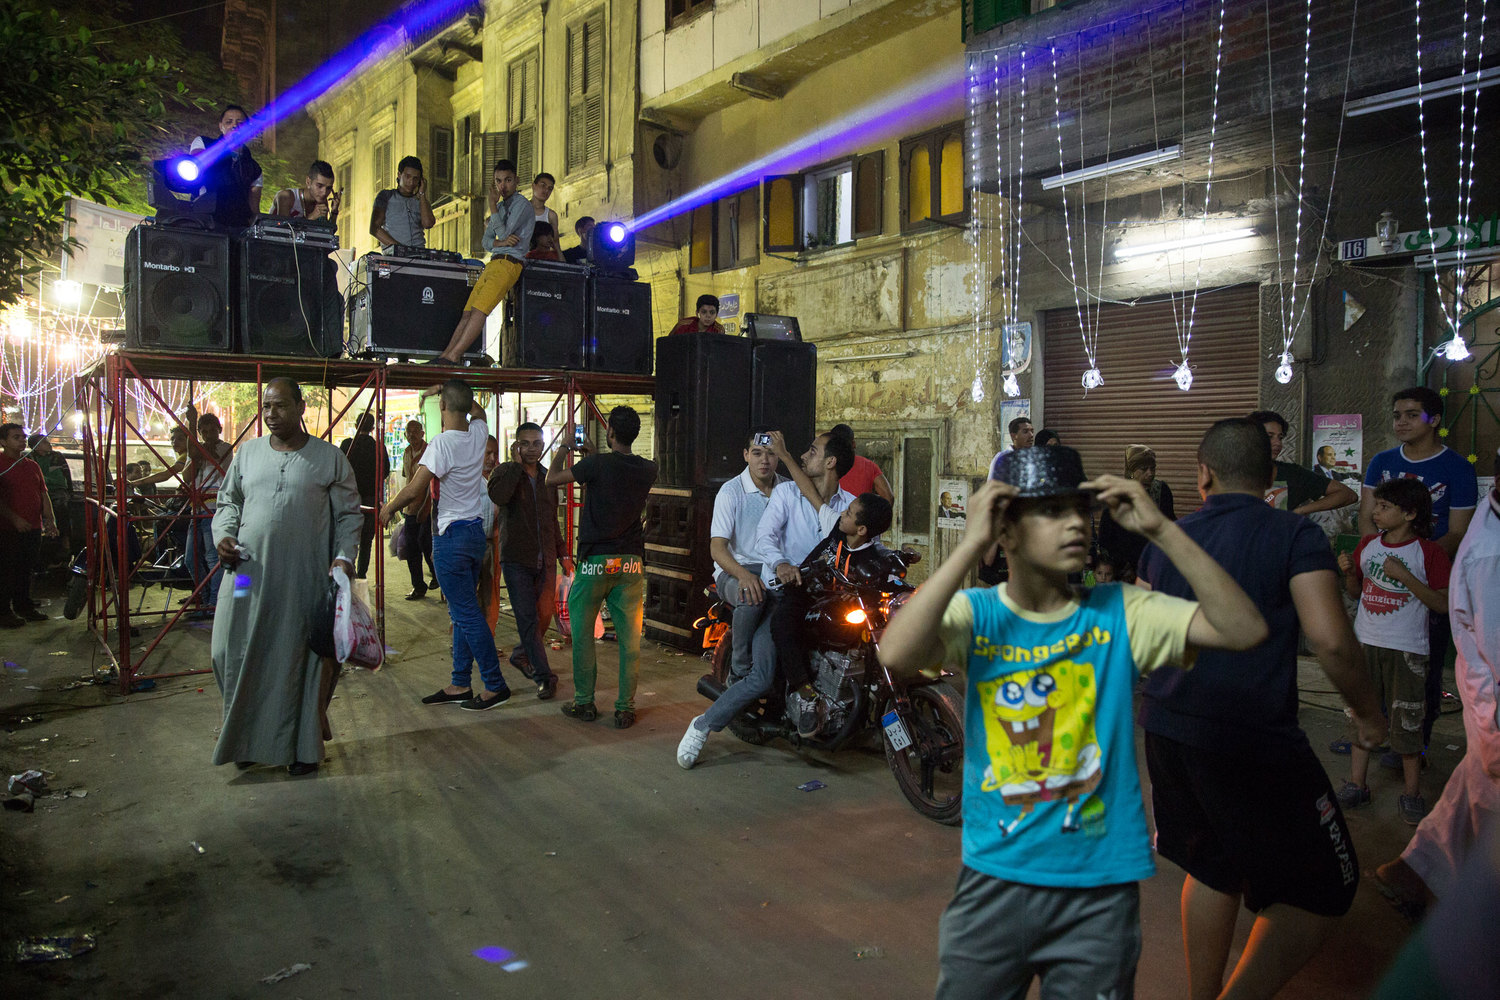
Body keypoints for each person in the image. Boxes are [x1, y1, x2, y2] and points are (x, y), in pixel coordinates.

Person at [876, 447, 1268, 1000]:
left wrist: (1162, 530)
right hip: (994, 880)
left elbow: (1243, 629)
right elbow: (894, 651)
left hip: (1099, 892)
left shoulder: (1120, 611)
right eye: (1051, 511)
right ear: (1006, 532)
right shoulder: (980, 614)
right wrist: (969, 543)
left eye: (1080, 510)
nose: (1076, 525)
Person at [1137, 418, 1387, 1000]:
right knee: (1329, 887)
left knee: (1212, 867)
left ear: (1203, 473)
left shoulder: (1170, 539)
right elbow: (1328, 638)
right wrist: (1369, 715)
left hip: (1169, 730)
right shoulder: (1294, 536)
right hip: (1251, 739)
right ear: (1272, 477)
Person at [210, 378, 362, 775]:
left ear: (301, 407)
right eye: (266, 407)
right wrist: (224, 535)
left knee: (297, 661)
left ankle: (301, 749)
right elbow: (229, 501)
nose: (271, 415)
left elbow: (349, 516)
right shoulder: (248, 454)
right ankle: (246, 736)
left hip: (303, 579)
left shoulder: (329, 459)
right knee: (228, 650)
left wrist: (344, 558)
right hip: (244, 576)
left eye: (279, 406)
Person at [1374, 452, 1500, 912]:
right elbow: (1489, 646)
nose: (1376, 514)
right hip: (1490, 706)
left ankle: (1414, 874)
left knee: (1472, 793)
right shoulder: (1490, 553)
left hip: (1484, 704)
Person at [1359, 386, 1478, 754]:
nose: (1402, 422)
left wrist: (1414, 562)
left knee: (1420, 669)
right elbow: (1367, 517)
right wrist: (1373, 559)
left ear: (1435, 420)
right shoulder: (1382, 461)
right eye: (1397, 415)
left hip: (1429, 581)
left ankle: (1413, 746)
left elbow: (1457, 532)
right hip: (1382, 577)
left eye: (1412, 414)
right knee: (1373, 665)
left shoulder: (1457, 468)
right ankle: (1370, 736)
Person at [381, 381, 510, 712]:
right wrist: (455, 393)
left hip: (451, 538)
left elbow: (414, 489)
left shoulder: (441, 443)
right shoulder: (478, 434)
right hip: (473, 535)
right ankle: (460, 683)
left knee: (467, 614)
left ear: (441, 409)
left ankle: (495, 685)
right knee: (462, 611)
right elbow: (478, 411)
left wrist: (388, 508)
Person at [1337, 477, 1451, 824]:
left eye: (1385, 507)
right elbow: (1357, 593)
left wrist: (1404, 577)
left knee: (1407, 718)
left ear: (1410, 513)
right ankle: (1358, 784)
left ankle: (1411, 793)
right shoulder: (1369, 545)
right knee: (1362, 714)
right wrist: (1348, 576)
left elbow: (1443, 605)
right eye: (1378, 505)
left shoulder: (1428, 553)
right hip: (1367, 643)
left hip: (1407, 649)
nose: (1376, 512)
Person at [676, 429, 788, 768]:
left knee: (765, 675)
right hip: (734, 573)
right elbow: (717, 547)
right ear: (745, 455)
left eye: (770, 454)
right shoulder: (732, 491)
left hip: (776, 578)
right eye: (757, 453)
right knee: (750, 595)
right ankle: (736, 670)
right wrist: (743, 574)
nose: (764, 460)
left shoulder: (787, 489)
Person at [546, 406, 658, 729]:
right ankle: (625, 708)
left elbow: (552, 479)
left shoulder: (595, 464)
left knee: (582, 635)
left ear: (609, 432)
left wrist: (566, 447)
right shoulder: (648, 469)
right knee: (630, 641)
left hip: (596, 563)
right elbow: (615, 474)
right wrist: (595, 456)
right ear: (634, 434)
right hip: (630, 564)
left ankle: (584, 703)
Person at [770, 491, 895, 736]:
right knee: (782, 623)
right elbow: (816, 560)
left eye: (848, 513)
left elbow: (880, 577)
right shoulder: (839, 534)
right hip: (806, 591)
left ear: (861, 530)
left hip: (838, 606)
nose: (842, 514)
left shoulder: (873, 558)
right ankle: (805, 694)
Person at [487, 422, 569, 701]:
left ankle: (522, 654)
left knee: (544, 616)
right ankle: (544, 677)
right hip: (516, 559)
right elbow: (499, 496)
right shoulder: (505, 473)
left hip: (544, 559)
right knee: (527, 617)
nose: (533, 449)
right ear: (516, 446)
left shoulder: (549, 477)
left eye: (537, 443)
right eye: (526, 443)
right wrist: (515, 465)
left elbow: (551, 520)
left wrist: (562, 553)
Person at [432, 159, 534, 365]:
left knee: (479, 310)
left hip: (509, 263)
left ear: (516, 181)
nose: (502, 186)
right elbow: (486, 242)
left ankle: (453, 356)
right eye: (498, 181)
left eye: (507, 180)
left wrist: (492, 208)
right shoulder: (502, 207)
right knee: (467, 312)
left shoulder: (521, 204)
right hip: (494, 262)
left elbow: (503, 231)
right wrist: (502, 240)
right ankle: (445, 356)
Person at [0, 423, 59, 627]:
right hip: (8, 529)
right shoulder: (1, 463)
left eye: (23, 437)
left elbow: (43, 493)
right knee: (7, 570)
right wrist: (14, 519)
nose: (22, 440)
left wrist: (50, 519)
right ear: (3, 441)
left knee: (26, 569)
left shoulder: (31, 464)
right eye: (16, 437)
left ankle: (24, 606)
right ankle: (3, 612)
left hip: (33, 527)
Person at [1249, 410, 1358, 515]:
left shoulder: (1292, 474)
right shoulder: (1233, 472)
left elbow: (1348, 495)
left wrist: (1299, 511)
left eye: (1280, 437)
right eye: (1269, 436)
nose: (1277, 443)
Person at [1098, 444, 1174, 579]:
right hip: (1125, 572)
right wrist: (1121, 567)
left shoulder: (1161, 492)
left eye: (1153, 468)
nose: (1150, 474)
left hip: (1155, 569)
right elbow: (1106, 540)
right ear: (1131, 472)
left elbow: (1170, 527)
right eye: (1144, 469)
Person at [184, 413, 234, 617]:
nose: (208, 435)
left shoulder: (225, 447)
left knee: (213, 558)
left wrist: (192, 427)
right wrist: (193, 453)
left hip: (214, 506)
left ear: (219, 429)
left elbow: (211, 456)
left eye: (212, 430)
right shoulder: (196, 450)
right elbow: (186, 475)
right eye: (203, 432)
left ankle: (213, 604)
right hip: (197, 506)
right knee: (190, 559)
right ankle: (204, 599)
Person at [190, 104, 262, 228]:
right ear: (221, 127)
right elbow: (197, 163)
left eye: (240, 123)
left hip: (237, 226)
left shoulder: (255, 169)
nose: (234, 126)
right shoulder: (203, 143)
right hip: (204, 220)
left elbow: (254, 208)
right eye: (229, 122)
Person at [338, 412, 390, 580]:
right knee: (367, 540)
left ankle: (348, 572)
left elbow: (339, 470)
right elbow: (385, 471)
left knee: (349, 537)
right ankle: (361, 575)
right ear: (373, 428)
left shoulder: (347, 445)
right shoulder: (378, 447)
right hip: (370, 498)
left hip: (349, 498)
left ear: (356, 425)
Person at [398, 419, 436, 600]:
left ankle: (437, 575)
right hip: (410, 509)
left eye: (415, 431)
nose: (412, 435)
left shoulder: (430, 452)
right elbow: (407, 480)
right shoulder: (406, 453)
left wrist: (425, 508)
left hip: (427, 508)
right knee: (411, 549)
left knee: (426, 544)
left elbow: (431, 484)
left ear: (422, 433)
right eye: (408, 431)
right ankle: (418, 586)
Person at [370, 155, 435, 251]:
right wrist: (400, 249)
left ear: (420, 181)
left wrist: (422, 193)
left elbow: (428, 224)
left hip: (419, 256)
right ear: (399, 175)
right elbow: (374, 228)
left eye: (415, 178)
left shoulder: (422, 201)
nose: (411, 182)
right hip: (394, 257)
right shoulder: (386, 196)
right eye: (408, 176)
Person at [29, 434, 73, 559]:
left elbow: (62, 478)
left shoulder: (57, 457)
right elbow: (32, 480)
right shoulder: (30, 458)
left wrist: (70, 491)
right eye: (44, 442)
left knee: (61, 507)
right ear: (36, 446)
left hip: (57, 491)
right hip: (38, 492)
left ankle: (65, 541)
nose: (49, 444)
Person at [829, 423, 894, 502]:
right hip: (860, 513)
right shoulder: (869, 466)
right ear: (853, 444)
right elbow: (888, 497)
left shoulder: (826, 465)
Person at [270, 159, 340, 223]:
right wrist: (310, 218)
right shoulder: (286, 197)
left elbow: (326, 233)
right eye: (319, 186)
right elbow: (283, 230)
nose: (324, 192)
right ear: (308, 182)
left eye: (328, 188)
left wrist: (334, 211)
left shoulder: (321, 202)